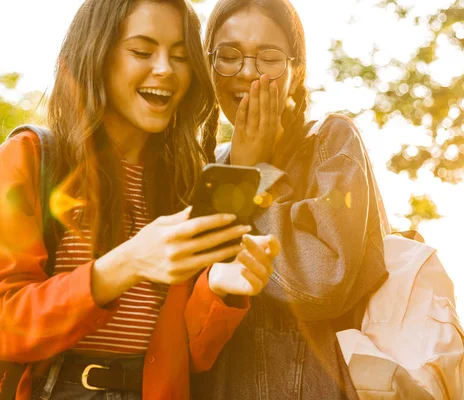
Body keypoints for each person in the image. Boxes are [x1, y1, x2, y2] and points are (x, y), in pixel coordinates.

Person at [0, 0, 279, 399]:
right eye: (142, 51)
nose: (165, 69)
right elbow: (6, 325)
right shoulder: (29, 158)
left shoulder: (183, 182)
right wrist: (126, 263)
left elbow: (192, 357)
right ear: (97, 56)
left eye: (181, 56)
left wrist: (219, 289)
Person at [194, 0, 389, 398]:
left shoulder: (332, 143)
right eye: (228, 56)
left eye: (268, 57)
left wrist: (255, 176)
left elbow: (322, 283)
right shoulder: (205, 167)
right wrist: (238, 170)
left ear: (297, 72)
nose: (247, 72)